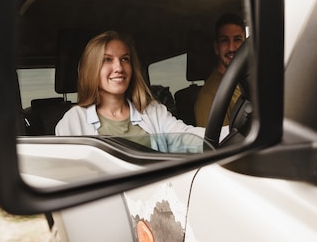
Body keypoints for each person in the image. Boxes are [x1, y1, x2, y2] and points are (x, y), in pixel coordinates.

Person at [55, 31, 222, 153]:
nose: (119, 67)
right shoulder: (73, 120)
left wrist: (232, 133)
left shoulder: (152, 111)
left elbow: (186, 137)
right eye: (107, 60)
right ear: (92, 69)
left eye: (124, 59)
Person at [194, 13, 246, 127]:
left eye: (237, 39)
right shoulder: (210, 96)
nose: (232, 48)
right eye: (225, 40)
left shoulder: (244, 82)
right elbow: (215, 144)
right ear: (217, 48)